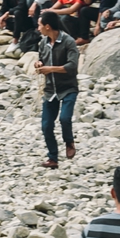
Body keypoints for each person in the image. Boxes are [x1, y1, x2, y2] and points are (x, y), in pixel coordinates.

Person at [33, 14, 79, 169]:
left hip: (68, 88)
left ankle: (69, 142)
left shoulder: (68, 42)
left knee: (65, 119)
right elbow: (42, 59)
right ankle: (52, 158)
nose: (37, 28)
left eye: (39, 25)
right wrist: (39, 64)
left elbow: (72, 66)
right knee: (46, 125)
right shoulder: (43, 43)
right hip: (50, 89)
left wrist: (50, 69)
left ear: (47, 26)